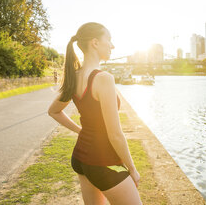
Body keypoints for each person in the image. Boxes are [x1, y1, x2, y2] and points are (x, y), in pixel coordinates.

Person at [48, 22, 142, 205]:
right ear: (95, 43)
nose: (112, 46)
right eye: (109, 40)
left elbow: (53, 111)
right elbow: (115, 134)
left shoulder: (74, 76)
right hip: (103, 162)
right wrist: (132, 168)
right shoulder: (104, 78)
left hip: (81, 159)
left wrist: (81, 131)